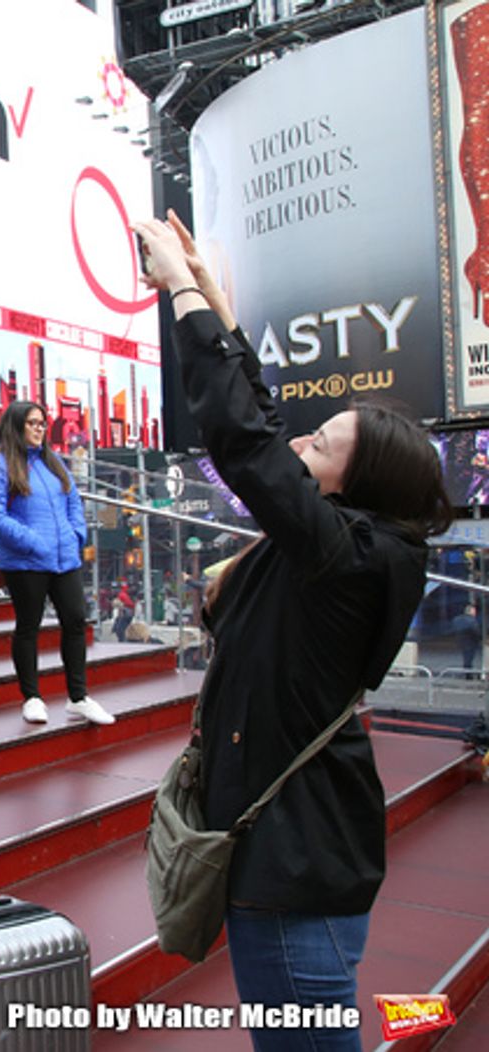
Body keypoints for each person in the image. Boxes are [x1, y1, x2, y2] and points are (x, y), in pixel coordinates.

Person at [136, 210, 453, 1052]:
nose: (302, 441)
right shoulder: (355, 542)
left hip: (290, 865)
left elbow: (247, 442)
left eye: (325, 443)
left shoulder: (343, 556)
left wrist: (177, 294)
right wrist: (217, 308)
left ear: (358, 483)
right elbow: (268, 425)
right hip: (309, 850)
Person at [0, 400, 113, 727]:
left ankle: (78, 697)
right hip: (26, 562)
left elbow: (73, 501)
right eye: (33, 423)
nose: (40, 428)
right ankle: (32, 698)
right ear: (17, 426)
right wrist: (31, 541)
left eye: (42, 423)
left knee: (76, 621)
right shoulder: (0, 464)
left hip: (64, 557)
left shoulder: (54, 463)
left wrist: (76, 535)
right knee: (29, 626)